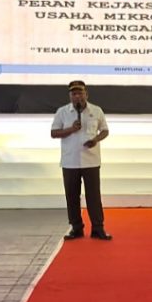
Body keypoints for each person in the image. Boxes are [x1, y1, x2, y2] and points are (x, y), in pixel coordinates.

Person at [50, 80, 112, 240]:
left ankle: (98, 228)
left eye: (80, 93)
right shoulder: (62, 112)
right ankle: (76, 228)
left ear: (86, 94)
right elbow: (54, 133)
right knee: (72, 196)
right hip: (70, 161)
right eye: (74, 94)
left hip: (91, 160)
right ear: (70, 96)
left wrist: (96, 139)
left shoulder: (96, 110)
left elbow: (105, 130)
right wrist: (71, 129)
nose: (77, 96)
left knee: (94, 197)